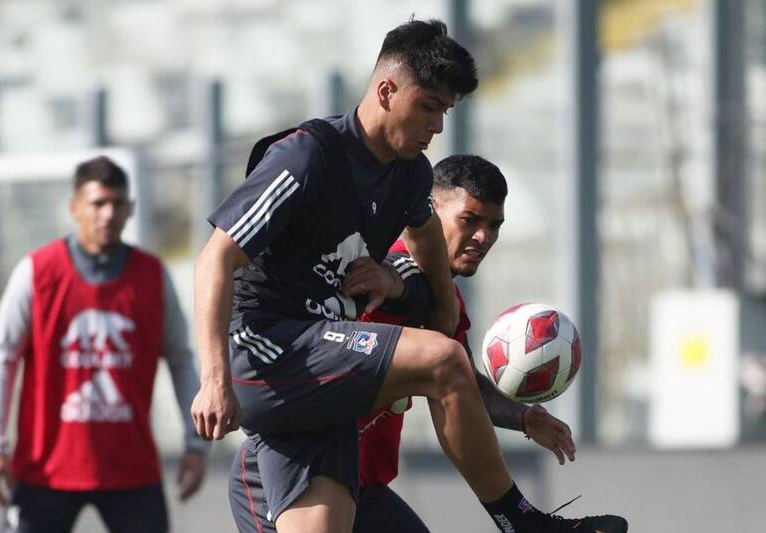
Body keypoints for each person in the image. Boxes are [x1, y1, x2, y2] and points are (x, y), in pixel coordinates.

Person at [192, 19, 625, 533]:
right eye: (429, 106)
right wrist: (214, 380)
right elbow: (214, 260)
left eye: (445, 111)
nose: (437, 125)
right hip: (264, 350)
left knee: (445, 362)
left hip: (317, 419)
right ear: (386, 90)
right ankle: (521, 521)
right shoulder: (308, 157)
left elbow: (422, 231)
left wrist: (442, 299)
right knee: (442, 359)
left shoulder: (411, 174)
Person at [352, 155, 586, 532]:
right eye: (469, 220)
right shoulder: (383, 272)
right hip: (301, 476)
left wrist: (524, 417)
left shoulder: (446, 301)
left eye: (494, 225)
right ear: (430, 212)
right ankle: (519, 520)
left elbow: (460, 382)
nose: (484, 237)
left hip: (363, 488)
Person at [0, 155, 209, 533]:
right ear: (74, 208)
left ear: (130, 208)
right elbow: (2, 358)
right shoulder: (37, 272)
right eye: (97, 203)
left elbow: (181, 360)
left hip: (130, 469)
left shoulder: (152, 277)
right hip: (45, 470)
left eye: (117, 204)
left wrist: (196, 445)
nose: (107, 214)